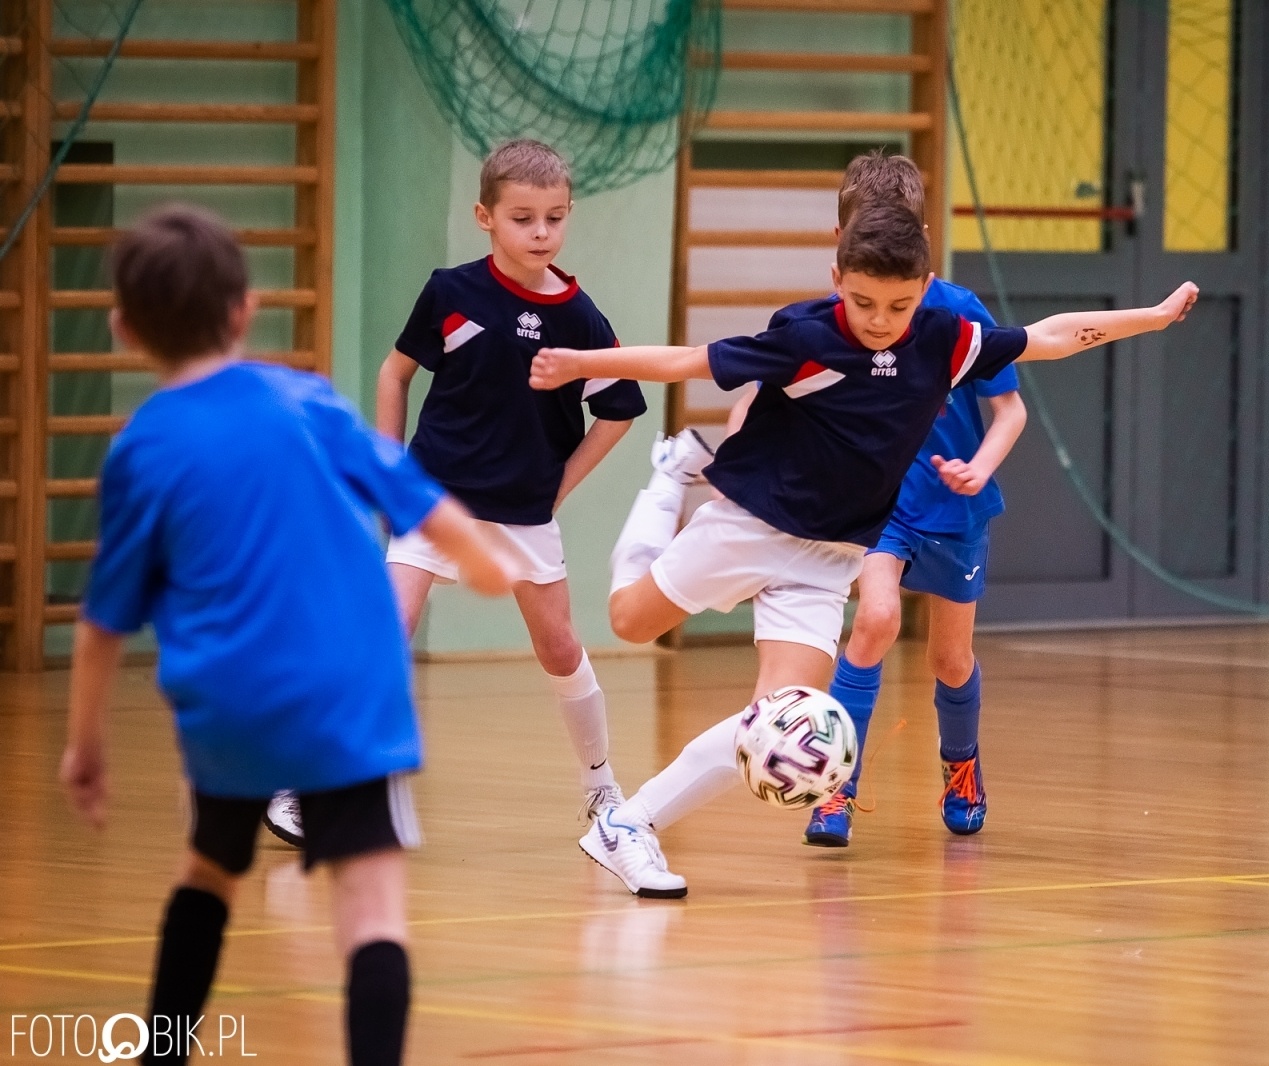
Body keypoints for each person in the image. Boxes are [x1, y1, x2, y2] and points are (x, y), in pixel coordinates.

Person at [528, 200, 1198, 898]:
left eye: (899, 304)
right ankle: (668, 479)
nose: (880, 320)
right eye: (863, 301)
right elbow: (688, 361)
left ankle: (629, 825)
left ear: (926, 286)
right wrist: (582, 362)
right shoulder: (807, 337)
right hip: (753, 522)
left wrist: (1149, 319)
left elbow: (1048, 337)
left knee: (776, 721)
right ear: (836, 276)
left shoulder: (944, 336)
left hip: (833, 554)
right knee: (629, 623)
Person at [59, 205, 517, 1064]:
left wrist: (84, 746)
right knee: (373, 907)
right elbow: (418, 496)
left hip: (230, 700)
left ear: (122, 329)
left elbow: (103, 623)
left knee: (209, 872)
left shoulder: (140, 448)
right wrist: (486, 563)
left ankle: (165, 1052)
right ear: (245, 310)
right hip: (350, 689)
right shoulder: (306, 399)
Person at [265, 139, 646, 846]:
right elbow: (393, 373)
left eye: (555, 219)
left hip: (523, 512)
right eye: (524, 218)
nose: (541, 234)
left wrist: (557, 486)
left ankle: (601, 788)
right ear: (484, 217)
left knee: (560, 647)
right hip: (434, 499)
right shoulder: (452, 292)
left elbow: (619, 411)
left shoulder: (579, 317)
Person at [728, 150, 1028, 846]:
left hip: (952, 508)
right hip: (876, 502)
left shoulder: (955, 314)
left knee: (951, 660)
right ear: (843, 241)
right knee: (874, 622)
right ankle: (834, 787)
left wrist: (980, 467)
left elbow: (1010, 411)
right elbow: (762, 392)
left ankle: (962, 766)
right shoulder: (832, 322)